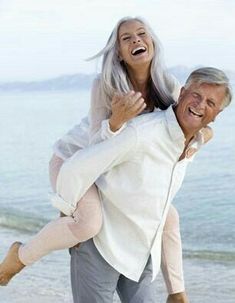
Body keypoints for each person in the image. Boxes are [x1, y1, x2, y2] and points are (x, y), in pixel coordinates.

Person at [0, 17, 212, 303]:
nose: (136, 40)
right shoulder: (106, 85)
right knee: (88, 224)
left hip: (111, 169)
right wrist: (115, 123)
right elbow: (92, 151)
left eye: (141, 34)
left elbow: (185, 129)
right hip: (73, 161)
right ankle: (20, 256)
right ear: (120, 54)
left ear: (152, 43)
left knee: (169, 216)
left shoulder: (169, 86)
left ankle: (177, 293)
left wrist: (200, 137)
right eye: (126, 38)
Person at [51, 67, 232, 302]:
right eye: (196, 95)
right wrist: (70, 215)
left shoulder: (193, 142)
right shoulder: (142, 132)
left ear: (216, 115)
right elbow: (76, 168)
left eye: (210, 102)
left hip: (141, 251)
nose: (200, 105)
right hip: (101, 244)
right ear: (182, 92)